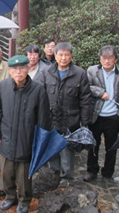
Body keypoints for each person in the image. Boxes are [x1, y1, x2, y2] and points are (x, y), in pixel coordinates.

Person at [0, 55, 51, 213]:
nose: (18, 72)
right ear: (9, 70)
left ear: (29, 68)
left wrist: (40, 143)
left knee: (25, 175)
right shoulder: (3, 86)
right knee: (7, 172)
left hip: (27, 139)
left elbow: (44, 120)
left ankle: (24, 200)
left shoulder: (38, 90)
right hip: (7, 137)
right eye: (15, 69)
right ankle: (10, 197)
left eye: (22, 68)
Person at [37, 42, 92, 179]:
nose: (63, 58)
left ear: (71, 56)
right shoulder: (46, 72)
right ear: (55, 56)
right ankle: (54, 178)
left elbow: (85, 99)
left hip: (70, 121)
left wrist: (85, 123)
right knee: (51, 152)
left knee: (67, 154)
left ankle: (67, 179)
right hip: (50, 121)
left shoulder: (80, 74)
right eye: (60, 55)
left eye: (66, 55)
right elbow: (38, 96)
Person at [83, 45, 119, 182]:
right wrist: (100, 93)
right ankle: (92, 170)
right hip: (96, 115)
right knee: (93, 144)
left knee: (111, 147)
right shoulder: (92, 71)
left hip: (113, 117)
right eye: (104, 58)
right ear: (100, 58)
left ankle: (108, 172)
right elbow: (86, 87)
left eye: (110, 58)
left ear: (115, 59)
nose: (107, 61)